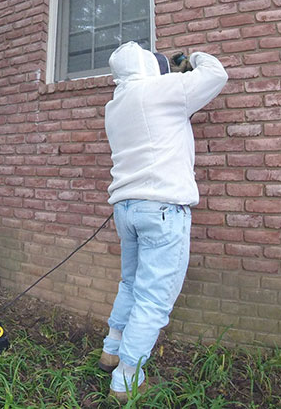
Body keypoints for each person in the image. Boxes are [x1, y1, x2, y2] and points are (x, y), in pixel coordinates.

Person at [100, 41, 228, 401]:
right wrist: (192, 59)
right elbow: (216, 74)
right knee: (154, 299)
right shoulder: (160, 90)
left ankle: (112, 348)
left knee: (130, 284)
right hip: (161, 210)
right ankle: (126, 380)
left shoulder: (115, 106)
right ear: (147, 67)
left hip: (126, 209)